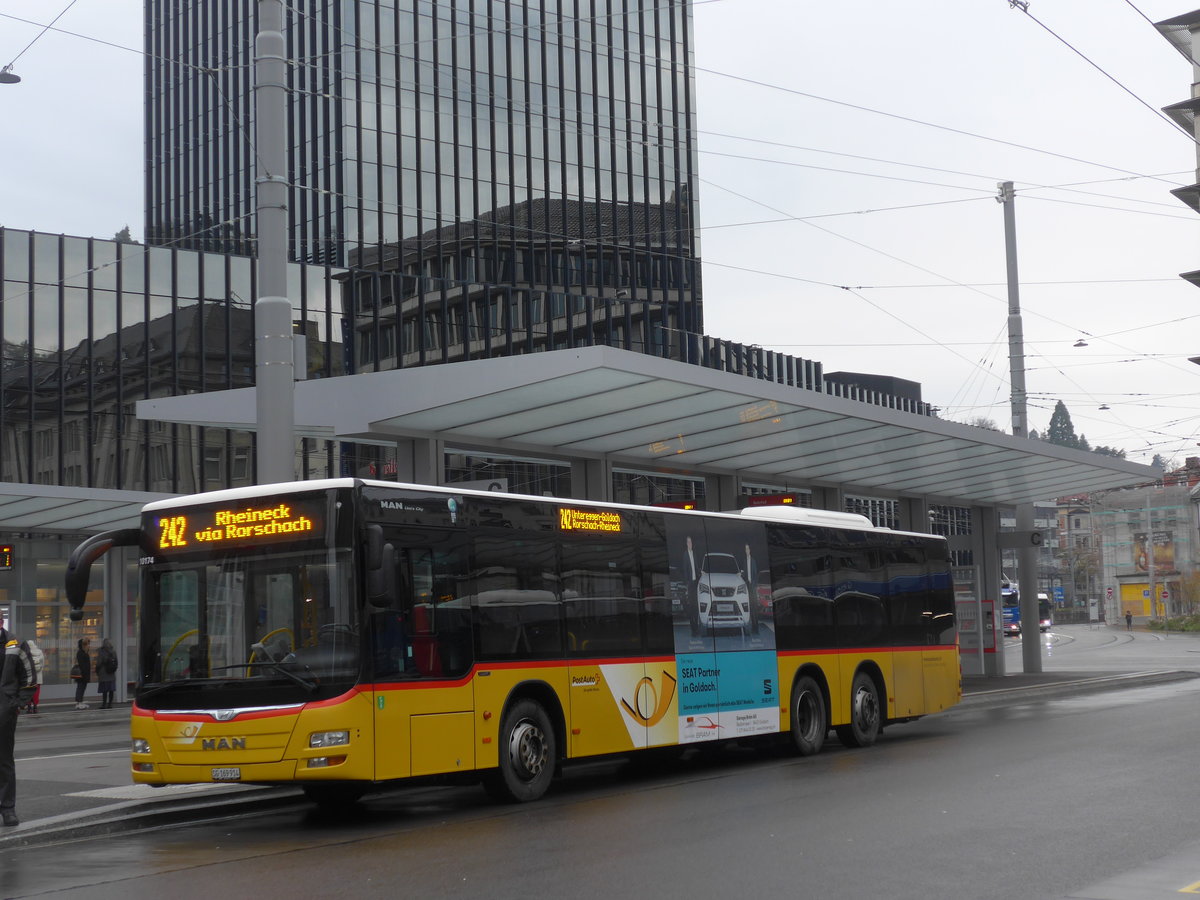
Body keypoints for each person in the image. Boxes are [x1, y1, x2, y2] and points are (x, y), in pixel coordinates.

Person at [1, 625, 34, 827]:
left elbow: (29, 677)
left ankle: (7, 809)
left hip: (4, 713)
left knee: (4, 761)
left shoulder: (15, 644)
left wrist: (17, 703)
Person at [21, 638, 43, 714]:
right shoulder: (40, 652)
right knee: (36, 692)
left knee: (28, 691)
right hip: (38, 677)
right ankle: (35, 707)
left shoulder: (26, 653)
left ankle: (29, 707)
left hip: (29, 677)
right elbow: (42, 665)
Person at [95, 638, 118, 709]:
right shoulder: (113, 651)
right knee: (111, 690)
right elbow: (116, 663)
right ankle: (110, 704)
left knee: (104, 690)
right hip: (111, 674)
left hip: (103, 673)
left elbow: (99, 663)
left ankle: (104, 704)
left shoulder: (101, 652)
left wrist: (97, 670)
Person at [74, 637, 92, 709]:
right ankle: (79, 702)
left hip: (83, 674)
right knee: (80, 688)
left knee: (82, 688)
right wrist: (85, 674)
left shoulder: (82, 652)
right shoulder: (81, 653)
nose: (89, 646)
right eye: (87, 644)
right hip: (82, 674)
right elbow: (83, 665)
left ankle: (80, 701)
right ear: (84, 645)